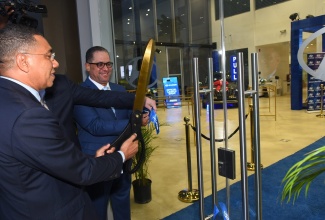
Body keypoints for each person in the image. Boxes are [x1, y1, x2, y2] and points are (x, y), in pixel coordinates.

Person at [0, 23, 139, 220]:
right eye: (49, 56)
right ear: (23, 61)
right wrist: (122, 155)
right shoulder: (28, 116)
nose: (55, 63)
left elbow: (51, 159)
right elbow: (82, 171)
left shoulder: (9, 98)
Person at [73, 46, 148, 220]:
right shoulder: (79, 93)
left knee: (122, 205)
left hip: (123, 157)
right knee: (98, 209)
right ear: (87, 66)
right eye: (99, 64)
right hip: (98, 160)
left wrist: (140, 116)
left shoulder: (119, 90)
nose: (105, 68)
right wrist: (132, 122)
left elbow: (129, 114)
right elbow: (95, 126)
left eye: (108, 64)